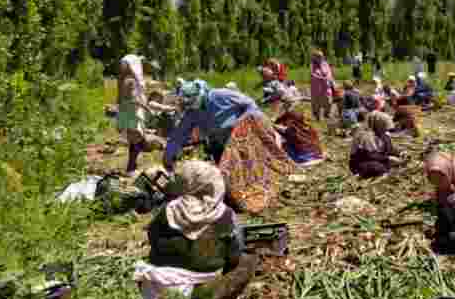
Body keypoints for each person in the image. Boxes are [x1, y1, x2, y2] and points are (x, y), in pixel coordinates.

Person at [134, 161, 258, 299]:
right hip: (197, 295)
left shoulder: (168, 209)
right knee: (247, 260)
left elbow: (152, 237)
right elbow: (234, 255)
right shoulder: (225, 215)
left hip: (156, 291)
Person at [164, 81, 294, 214]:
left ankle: (265, 192)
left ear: (199, 95)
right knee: (228, 176)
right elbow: (178, 135)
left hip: (243, 138)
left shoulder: (221, 95)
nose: (191, 107)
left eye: (192, 102)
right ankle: (240, 200)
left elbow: (250, 105)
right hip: (219, 144)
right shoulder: (192, 113)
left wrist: (242, 123)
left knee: (252, 171)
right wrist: (168, 156)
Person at [117, 55, 168, 174]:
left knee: (134, 140)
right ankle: (131, 166)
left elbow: (121, 99)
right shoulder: (131, 81)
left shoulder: (124, 80)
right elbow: (134, 99)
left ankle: (132, 165)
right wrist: (146, 108)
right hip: (133, 114)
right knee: (138, 141)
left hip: (128, 114)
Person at [271, 87, 323, 165]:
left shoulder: (291, 115)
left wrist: (272, 123)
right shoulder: (300, 113)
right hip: (317, 153)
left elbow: (288, 130)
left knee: (277, 136)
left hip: (305, 157)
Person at [349, 111, 402, 179]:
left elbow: (390, 149)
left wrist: (400, 153)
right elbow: (369, 155)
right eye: (383, 127)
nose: (385, 129)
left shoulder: (384, 135)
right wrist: (387, 158)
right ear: (377, 125)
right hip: (362, 162)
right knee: (378, 167)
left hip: (379, 159)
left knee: (396, 164)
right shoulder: (364, 136)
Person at [310, 50, 335, 121]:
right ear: (315, 57)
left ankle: (327, 114)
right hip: (316, 87)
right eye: (319, 56)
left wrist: (328, 78)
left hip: (326, 85)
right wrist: (321, 77)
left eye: (321, 56)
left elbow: (329, 73)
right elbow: (312, 74)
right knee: (316, 102)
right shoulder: (312, 65)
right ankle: (317, 116)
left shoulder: (325, 63)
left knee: (329, 100)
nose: (321, 58)